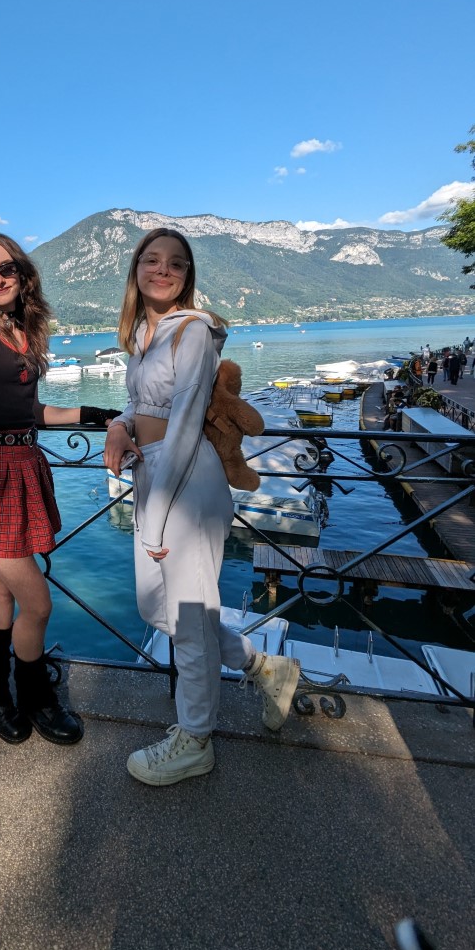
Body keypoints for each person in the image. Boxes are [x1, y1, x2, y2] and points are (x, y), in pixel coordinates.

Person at [103, 228, 301, 786]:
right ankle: (264, 667)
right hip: (154, 474)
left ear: (187, 275)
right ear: (136, 269)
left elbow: (187, 422)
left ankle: (195, 741)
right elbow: (141, 404)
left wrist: (158, 517)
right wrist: (119, 424)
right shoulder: (143, 334)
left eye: (176, 263)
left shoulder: (193, 331)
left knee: (188, 620)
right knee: (157, 609)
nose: (163, 269)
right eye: (151, 260)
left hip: (186, 481)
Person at [0, 232, 120, 748]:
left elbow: (29, 412)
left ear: (22, 272)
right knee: (37, 604)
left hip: (22, 465)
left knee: (0, 589)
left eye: (6, 269)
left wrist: (94, 414)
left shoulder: (23, 330)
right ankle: (35, 696)